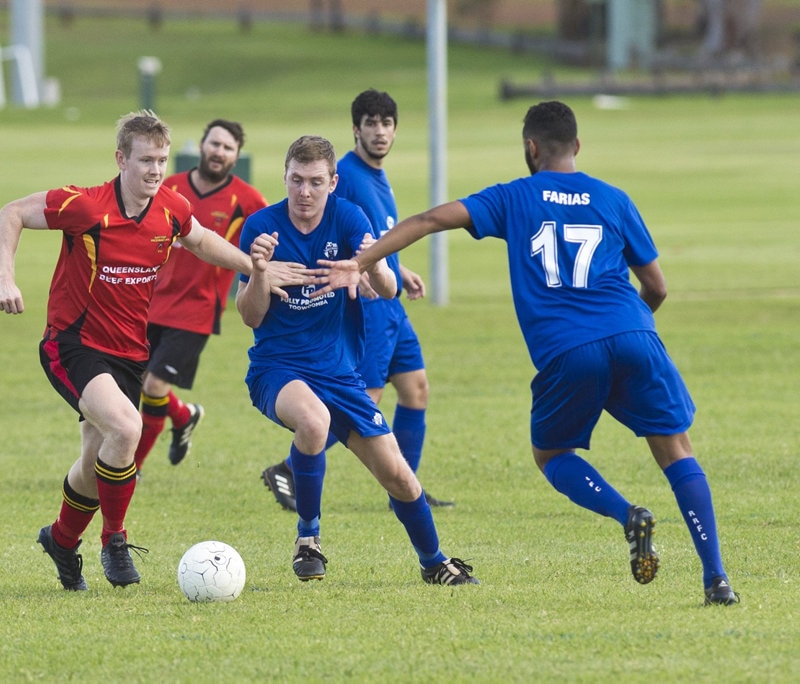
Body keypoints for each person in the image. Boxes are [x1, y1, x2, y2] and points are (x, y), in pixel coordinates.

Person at [312, 101, 737, 605]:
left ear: (530, 148)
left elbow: (428, 220)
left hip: (568, 352)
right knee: (676, 452)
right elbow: (658, 287)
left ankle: (627, 515)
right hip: (635, 335)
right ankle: (717, 579)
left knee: (552, 453)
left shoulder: (515, 196)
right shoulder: (613, 198)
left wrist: (359, 262)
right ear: (577, 146)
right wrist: (633, 329)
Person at [0, 110, 302, 591]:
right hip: (73, 345)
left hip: (129, 353)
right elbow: (11, 212)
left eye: (161, 160)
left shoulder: (170, 208)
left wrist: (254, 269)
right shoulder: (86, 206)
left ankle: (59, 539)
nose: (155, 170)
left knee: (97, 464)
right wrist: (4, 278)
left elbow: (200, 241)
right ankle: (113, 540)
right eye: (145, 161)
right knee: (126, 427)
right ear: (120, 159)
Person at [237, 134, 478, 586]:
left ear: (333, 182)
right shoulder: (260, 229)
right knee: (312, 422)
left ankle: (433, 562)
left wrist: (368, 267)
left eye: (314, 182)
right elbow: (250, 316)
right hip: (277, 368)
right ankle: (308, 539)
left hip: (340, 374)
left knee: (401, 480)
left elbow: (387, 289)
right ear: (284, 178)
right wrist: (260, 273)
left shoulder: (348, 217)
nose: (304, 192)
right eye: (295, 180)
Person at [261, 89, 453, 511]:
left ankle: (406, 487)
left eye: (387, 123)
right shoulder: (346, 176)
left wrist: (397, 270)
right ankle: (290, 469)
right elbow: (338, 239)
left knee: (415, 388)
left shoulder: (376, 175)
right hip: (368, 304)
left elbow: (374, 241)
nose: (380, 132)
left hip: (391, 300)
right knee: (366, 397)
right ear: (356, 130)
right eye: (371, 123)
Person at [133, 119, 267, 472]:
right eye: (214, 144)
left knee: (155, 382)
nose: (219, 152)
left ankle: (131, 468)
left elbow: (271, 238)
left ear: (236, 156)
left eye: (227, 148)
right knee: (136, 382)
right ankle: (183, 416)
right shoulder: (169, 187)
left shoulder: (247, 200)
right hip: (149, 302)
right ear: (202, 146)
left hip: (197, 309)